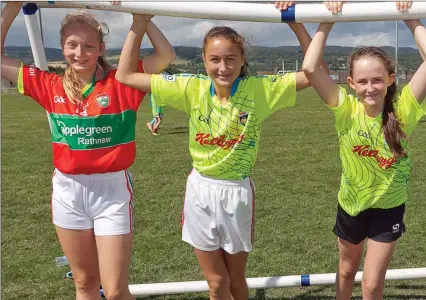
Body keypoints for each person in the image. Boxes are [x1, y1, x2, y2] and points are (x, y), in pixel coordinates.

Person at [114, 2, 333, 298]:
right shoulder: (190, 87)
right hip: (201, 191)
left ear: (242, 60)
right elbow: (125, 75)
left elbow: (316, 71)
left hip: (237, 193)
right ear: (204, 61)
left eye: (231, 59)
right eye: (214, 59)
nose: (223, 67)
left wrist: (294, 23)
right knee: (217, 283)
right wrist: (140, 22)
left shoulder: (259, 91)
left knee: (236, 280)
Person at [1, 3, 176, 300]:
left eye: (88, 46)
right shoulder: (47, 84)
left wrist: (142, 15)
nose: (79, 53)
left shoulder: (123, 82)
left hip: (112, 192)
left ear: (101, 49)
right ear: (61, 47)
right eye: (72, 45)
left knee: (117, 291)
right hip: (68, 192)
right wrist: (14, 5)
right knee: (84, 285)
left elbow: (166, 55)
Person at [302, 2, 426, 299]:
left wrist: (408, 16)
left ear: (391, 80)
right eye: (362, 81)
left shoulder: (403, 110)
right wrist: (328, 21)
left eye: (377, 79)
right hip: (351, 206)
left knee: (371, 282)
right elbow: (311, 68)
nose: (370, 87)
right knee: (346, 271)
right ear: (351, 84)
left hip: (388, 209)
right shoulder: (346, 109)